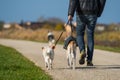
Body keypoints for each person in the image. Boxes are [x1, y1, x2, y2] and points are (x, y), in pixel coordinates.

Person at [68, 0, 106, 66]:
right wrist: (99, 12)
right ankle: (89, 60)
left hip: (81, 13)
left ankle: (82, 51)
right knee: (90, 36)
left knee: (79, 34)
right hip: (93, 13)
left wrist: (70, 13)